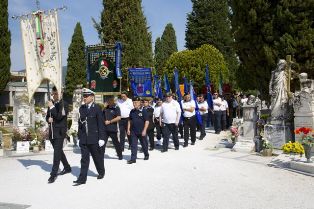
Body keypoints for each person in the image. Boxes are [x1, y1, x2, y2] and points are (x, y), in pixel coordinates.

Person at [73, 88, 105, 186]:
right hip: (84, 138)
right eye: (84, 96)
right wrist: (79, 137)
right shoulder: (81, 108)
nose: (85, 98)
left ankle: (101, 171)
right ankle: (82, 178)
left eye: (86, 96)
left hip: (94, 138)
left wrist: (101, 138)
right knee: (84, 159)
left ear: (92, 97)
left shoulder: (97, 108)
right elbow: (80, 124)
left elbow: (101, 124)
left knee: (97, 157)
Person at [46, 86, 71, 184]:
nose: (54, 95)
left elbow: (59, 117)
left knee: (56, 154)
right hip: (52, 132)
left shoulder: (64, 104)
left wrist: (51, 107)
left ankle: (53, 174)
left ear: (61, 94)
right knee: (59, 151)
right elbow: (48, 116)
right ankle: (67, 167)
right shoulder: (51, 104)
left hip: (60, 132)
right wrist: (48, 119)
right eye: (53, 94)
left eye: (55, 94)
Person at [127, 97, 149, 164]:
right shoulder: (132, 111)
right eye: (133, 102)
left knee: (144, 144)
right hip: (133, 131)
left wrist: (144, 130)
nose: (134, 104)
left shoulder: (143, 111)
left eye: (136, 102)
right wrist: (128, 129)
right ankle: (133, 159)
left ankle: (146, 154)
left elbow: (147, 121)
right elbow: (129, 121)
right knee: (133, 145)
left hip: (142, 131)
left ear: (139, 102)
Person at [102, 96, 123, 160]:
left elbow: (119, 117)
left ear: (112, 101)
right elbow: (101, 116)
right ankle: (101, 155)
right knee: (102, 143)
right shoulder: (105, 108)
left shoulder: (116, 108)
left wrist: (110, 121)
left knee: (116, 143)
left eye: (109, 101)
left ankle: (120, 155)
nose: (107, 102)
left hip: (112, 129)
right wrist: (103, 107)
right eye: (107, 101)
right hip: (105, 129)